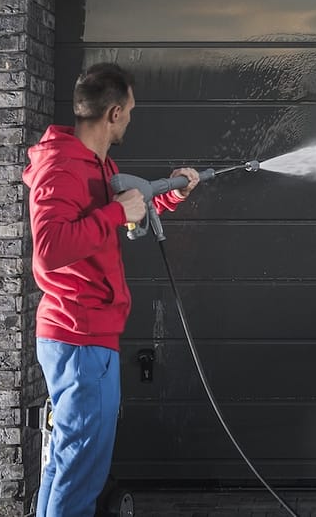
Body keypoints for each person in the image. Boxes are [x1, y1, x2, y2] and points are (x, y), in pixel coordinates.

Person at [22, 63, 200, 517]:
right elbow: (48, 249)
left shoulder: (99, 165)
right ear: (115, 113)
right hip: (77, 338)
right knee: (80, 474)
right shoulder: (61, 167)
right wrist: (115, 215)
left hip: (89, 337)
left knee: (68, 466)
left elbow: (127, 208)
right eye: (132, 111)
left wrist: (173, 193)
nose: (132, 119)